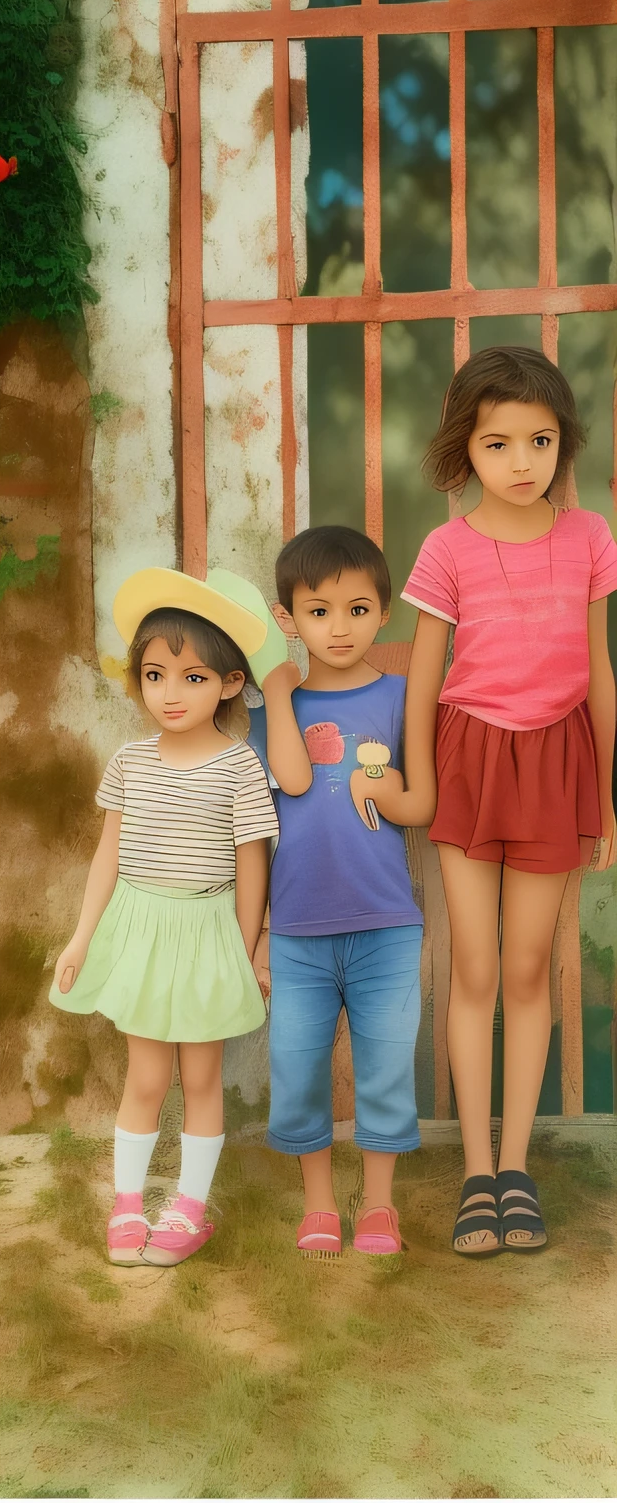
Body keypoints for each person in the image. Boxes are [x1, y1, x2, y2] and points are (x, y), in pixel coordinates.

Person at [398, 345, 617, 1255]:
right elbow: (423, 681)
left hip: (558, 764)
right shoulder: (447, 547)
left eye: (540, 439)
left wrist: (606, 800)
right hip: (469, 759)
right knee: (474, 972)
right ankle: (475, 1174)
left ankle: (516, 1169)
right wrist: (419, 785)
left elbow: (599, 671)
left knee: (529, 972)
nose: (521, 461)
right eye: (498, 442)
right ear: (466, 450)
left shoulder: (591, 537)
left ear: (563, 443)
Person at [50, 568, 282, 1267]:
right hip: (141, 933)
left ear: (231, 684)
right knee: (146, 1079)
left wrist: (246, 952)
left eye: (192, 677)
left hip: (209, 930)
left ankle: (188, 1208)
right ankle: (126, 1207)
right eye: (155, 676)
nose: (170, 694)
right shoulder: (129, 761)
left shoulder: (240, 766)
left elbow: (253, 867)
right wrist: (81, 937)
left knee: (202, 1078)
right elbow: (106, 859)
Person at [215, 531, 434, 1257]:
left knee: (385, 1067)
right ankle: (317, 1205)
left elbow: (420, 805)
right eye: (318, 611)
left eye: (358, 608)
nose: (338, 628)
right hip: (300, 933)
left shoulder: (402, 700)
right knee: (299, 1068)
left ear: (383, 614)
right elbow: (294, 780)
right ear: (288, 620)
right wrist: (277, 688)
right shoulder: (263, 720)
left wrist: (390, 789)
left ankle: (377, 1206)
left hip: (386, 926)